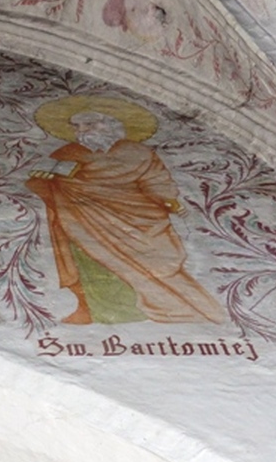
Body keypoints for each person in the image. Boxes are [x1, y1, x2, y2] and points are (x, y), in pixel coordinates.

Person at [27, 97, 226, 325]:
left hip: (139, 218)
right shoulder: (67, 152)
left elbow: (156, 179)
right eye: (77, 126)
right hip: (82, 218)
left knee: (152, 265)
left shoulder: (138, 152)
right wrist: (44, 180)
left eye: (89, 124)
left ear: (111, 123)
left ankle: (180, 309)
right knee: (91, 260)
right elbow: (42, 182)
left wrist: (169, 200)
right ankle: (93, 310)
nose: (81, 131)